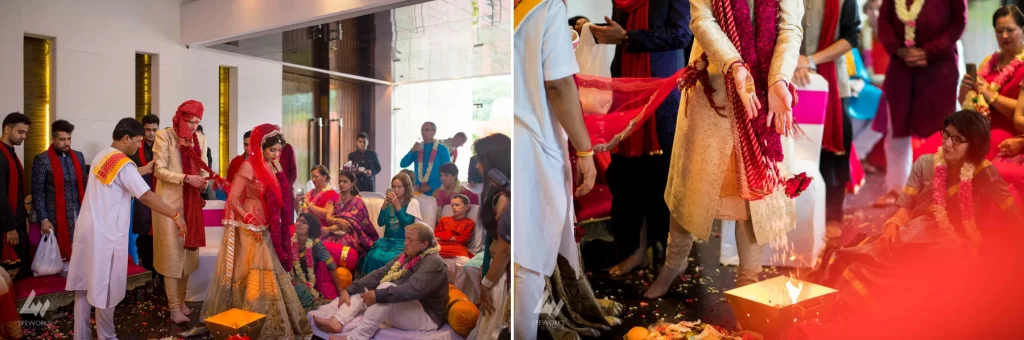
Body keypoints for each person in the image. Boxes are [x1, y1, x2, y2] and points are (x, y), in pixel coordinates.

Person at [656, 0, 803, 299]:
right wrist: (734, 66)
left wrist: (778, 80)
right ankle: (674, 262)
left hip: (765, 92)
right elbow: (701, 20)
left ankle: (749, 277)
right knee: (693, 182)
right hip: (713, 87)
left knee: (755, 196)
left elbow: (790, 27)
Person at [810, 110, 1022, 317]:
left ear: (974, 145)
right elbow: (906, 208)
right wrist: (892, 225)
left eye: (958, 139)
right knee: (860, 261)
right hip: (916, 233)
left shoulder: (984, 173)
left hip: (955, 247)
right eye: (946, 134)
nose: (947, 143)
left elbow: (1014, 217)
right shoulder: (926, 164)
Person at [589, 0, 693, 277]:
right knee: (625, 174)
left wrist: (626, 37)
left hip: (663, 89)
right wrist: (593, 32)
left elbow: (683, 34)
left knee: (662, 174)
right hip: (626, 88)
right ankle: (634, 251)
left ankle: (670, 256)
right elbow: (618, 29)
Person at [513, 1, 597, 338]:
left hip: (516, 138)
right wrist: (585, 149)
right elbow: (559, 85)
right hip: (533, 142)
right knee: (529, 261)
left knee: (523, 257)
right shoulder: (545, 6)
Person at [66, 117, 188, 340]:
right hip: (106, 234)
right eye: (138, 141)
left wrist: (145, 169)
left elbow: (122, 179)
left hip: (88, 230)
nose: (139, 146)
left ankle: (80, 336)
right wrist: (175, 215)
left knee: (84, 286)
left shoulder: (103, 157)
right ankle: (107, 336)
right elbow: (147, 196)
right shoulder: (123, 163)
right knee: (107, 287)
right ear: (126, 138)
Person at [200, 123, 313, 338]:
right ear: (260, 147)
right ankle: (250, 320)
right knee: (255, 270)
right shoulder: (248, 166)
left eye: (279, 150)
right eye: (273, 150)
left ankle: (270, 319)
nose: (277, 154)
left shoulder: (275, 166)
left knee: (268, 269)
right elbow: (233, 198)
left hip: (269, 222)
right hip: (249, 224)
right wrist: (248, 216)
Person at [872, 0, 967, 206]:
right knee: (897, 129)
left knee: (942, 129)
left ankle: (941, 189)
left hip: (939, 68)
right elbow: (885, 20)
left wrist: (930, 51)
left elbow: (958, 21)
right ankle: (896, 190)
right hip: (902, 67)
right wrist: (899, 50)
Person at [914, 6, 1024, 162]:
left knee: (952, 158)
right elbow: (967, 102)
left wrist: (992, 96)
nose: (1004, 36)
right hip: (976, 126)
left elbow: (1021, 113)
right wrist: (965, 91)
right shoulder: (989, 62)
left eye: (1010, 30)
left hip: (1005, 131)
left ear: (1022, 29)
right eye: (999, 31)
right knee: (925, 152)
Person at [793, 0, 860, 244]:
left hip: (832, 79)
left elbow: (851, 36)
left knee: (836, 146)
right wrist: (794, 60)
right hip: (787, 75)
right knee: (793, 146)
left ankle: (833, 213)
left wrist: (810, 60)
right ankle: (795, 212)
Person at [310, 222, 446, 340]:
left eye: (410, 240)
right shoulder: (409, 254)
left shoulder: (433, 262)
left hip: (426, 317)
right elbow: (381, 273)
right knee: (365, 289)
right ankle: (336, 322)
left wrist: (377, 295)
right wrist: (350, 289)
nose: (405, 243)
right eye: (406, 239)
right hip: (407, 306)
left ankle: (355, 338)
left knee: (383, 290)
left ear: (424, 244)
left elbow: (411, 290)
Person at [153, 100, 215, 324]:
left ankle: (181, 301)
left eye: (198, 121)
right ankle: (172, 308)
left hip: (192, 203)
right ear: (180, 118)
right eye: (190, 121)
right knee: (171, 255)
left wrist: (204, 181)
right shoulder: (165, 136)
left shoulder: (200, 137)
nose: (194, 125)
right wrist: (186, 178)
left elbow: (203, 166)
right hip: (168, 206)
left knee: (188, 255)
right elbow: (159, 170)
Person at [31, 119, 88, 265]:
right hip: (55, 215)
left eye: (69, 139)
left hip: (78, 211)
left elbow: (85, 183)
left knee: (80, 250)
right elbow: (38, 192)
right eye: (62, 139)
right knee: (58, 259)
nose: (66, 143)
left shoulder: (79, 156)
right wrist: (43, 219)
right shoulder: (42, 160)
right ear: (53, 139)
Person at [362, 174, 422, 274]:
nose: (396, 190)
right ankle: (371, 285)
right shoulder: (389, 203)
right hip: (387, 242)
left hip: (402, 243)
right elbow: (380, 223)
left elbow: (407, 225)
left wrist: (397, 206)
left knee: (390, 259)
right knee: (373, 256)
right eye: (394, 187)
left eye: (399, 187)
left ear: (406, 188)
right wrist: (384, 205)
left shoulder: (412, 202)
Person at [291, 212, 349, 311]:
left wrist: (341, 291)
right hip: (291, 279)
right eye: (298, 221)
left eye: (303, 222)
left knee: (299, 290)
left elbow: (331, 266)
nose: (298, 223)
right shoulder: (292, 240)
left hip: (306, 286)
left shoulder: (315, 244)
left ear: (311, 228)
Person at [323, 171, 377, 265]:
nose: (341, 184)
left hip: (351, 233)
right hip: (333, 232)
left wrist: (332, 227)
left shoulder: (357, 201)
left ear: (352, 183)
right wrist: (338, 221)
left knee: (343, 244)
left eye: (345, 181)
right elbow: (328, 218)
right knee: (320, 244)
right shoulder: (334, 198)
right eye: (340, 181)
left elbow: (349, 223)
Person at [0, 112, 31, 279]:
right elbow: (1, 197)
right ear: (7, 129)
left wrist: (23, 218)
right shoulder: (1, 155)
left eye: (26, 132)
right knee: (10, 274)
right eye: (21, 132)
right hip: (7, 227)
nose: (24, 136)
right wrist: (10, 227)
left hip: (16, 221)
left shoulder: (10, 152)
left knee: (21, 271)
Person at [130, 114, 161, 280]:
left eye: (154, 130)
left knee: (161, 239)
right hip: (142, 199)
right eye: (148, 130)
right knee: (144, 240)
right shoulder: (135, 148)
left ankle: (161, 276)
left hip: (161, 197)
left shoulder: (162, 147)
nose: (151, 134)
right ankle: (149, 275)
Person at [399, 122, 451, 196]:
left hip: (435, 190)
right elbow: (403, 164)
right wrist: (412, 150)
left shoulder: (442, 149)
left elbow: (447, 172)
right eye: (422, 130)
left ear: (434, 131)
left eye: (426, 130)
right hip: (418, 189)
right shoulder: (418, 148)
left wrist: (431, 186)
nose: (424, 133)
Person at [435, 195, 475, 282]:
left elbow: (463, 239)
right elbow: (436, 235)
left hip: (457, 248)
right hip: (441, 246)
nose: (454, 208)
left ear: (466, 207)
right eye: (452, 205)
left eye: (457, 205)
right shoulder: (444, 220)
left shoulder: (469, 223)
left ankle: (458, 289)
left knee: (465, 262)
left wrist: (443, 237)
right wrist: (450, 236)